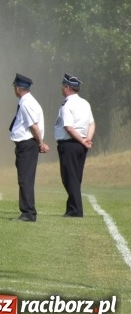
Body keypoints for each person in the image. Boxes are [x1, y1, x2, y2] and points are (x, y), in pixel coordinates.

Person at [54, 73, 95, 218]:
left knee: (69, 177)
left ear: (67, 88)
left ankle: (76, 211)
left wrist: (82, 141)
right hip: (82, 144)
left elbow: (69, 128)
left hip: (70, 144)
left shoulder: (67, 104)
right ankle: (71, 209)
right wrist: (87, 139)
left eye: (62, 86)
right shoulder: (85, 103)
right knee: (76, 177)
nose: (61, 88)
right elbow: (91, 123)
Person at [9, 73, 49, 222]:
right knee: (25, 178)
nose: (14, 90)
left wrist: (40, 143)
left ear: (19, 88)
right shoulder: (27, 102)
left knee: (25, 179)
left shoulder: (26, 104)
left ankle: (28, 213)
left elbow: (33, 126)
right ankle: (27, 211)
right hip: (27, 144)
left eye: (14, 87)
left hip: (27, 144)